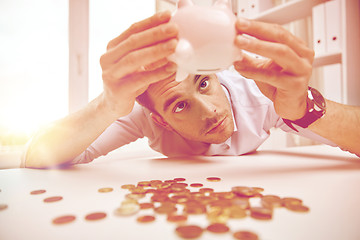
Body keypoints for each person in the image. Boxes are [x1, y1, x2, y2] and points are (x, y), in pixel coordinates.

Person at [24, 11, 360, 168]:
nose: (210, 110)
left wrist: (305, 109)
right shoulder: (142, 115)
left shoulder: (259, 95)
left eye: (203, 82)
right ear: (162, 122)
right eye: (179, 106)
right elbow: (37, 159)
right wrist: (107, 106)